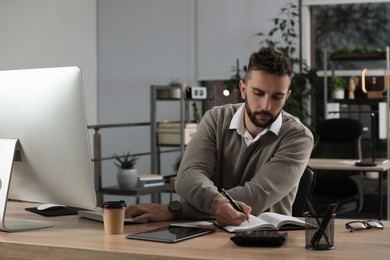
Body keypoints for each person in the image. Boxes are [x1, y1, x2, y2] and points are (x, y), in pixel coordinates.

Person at [125, 46, 314, 227]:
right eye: (258, 93)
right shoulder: (216, 118)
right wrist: (217, 203)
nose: (266, 105)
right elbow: (188, 176)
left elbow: (255, 196)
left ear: (286, 97)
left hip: (266, 239)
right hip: (205, 232)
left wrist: (176, 210)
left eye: (277, 97)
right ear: (242, 89)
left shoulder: (298, 137)